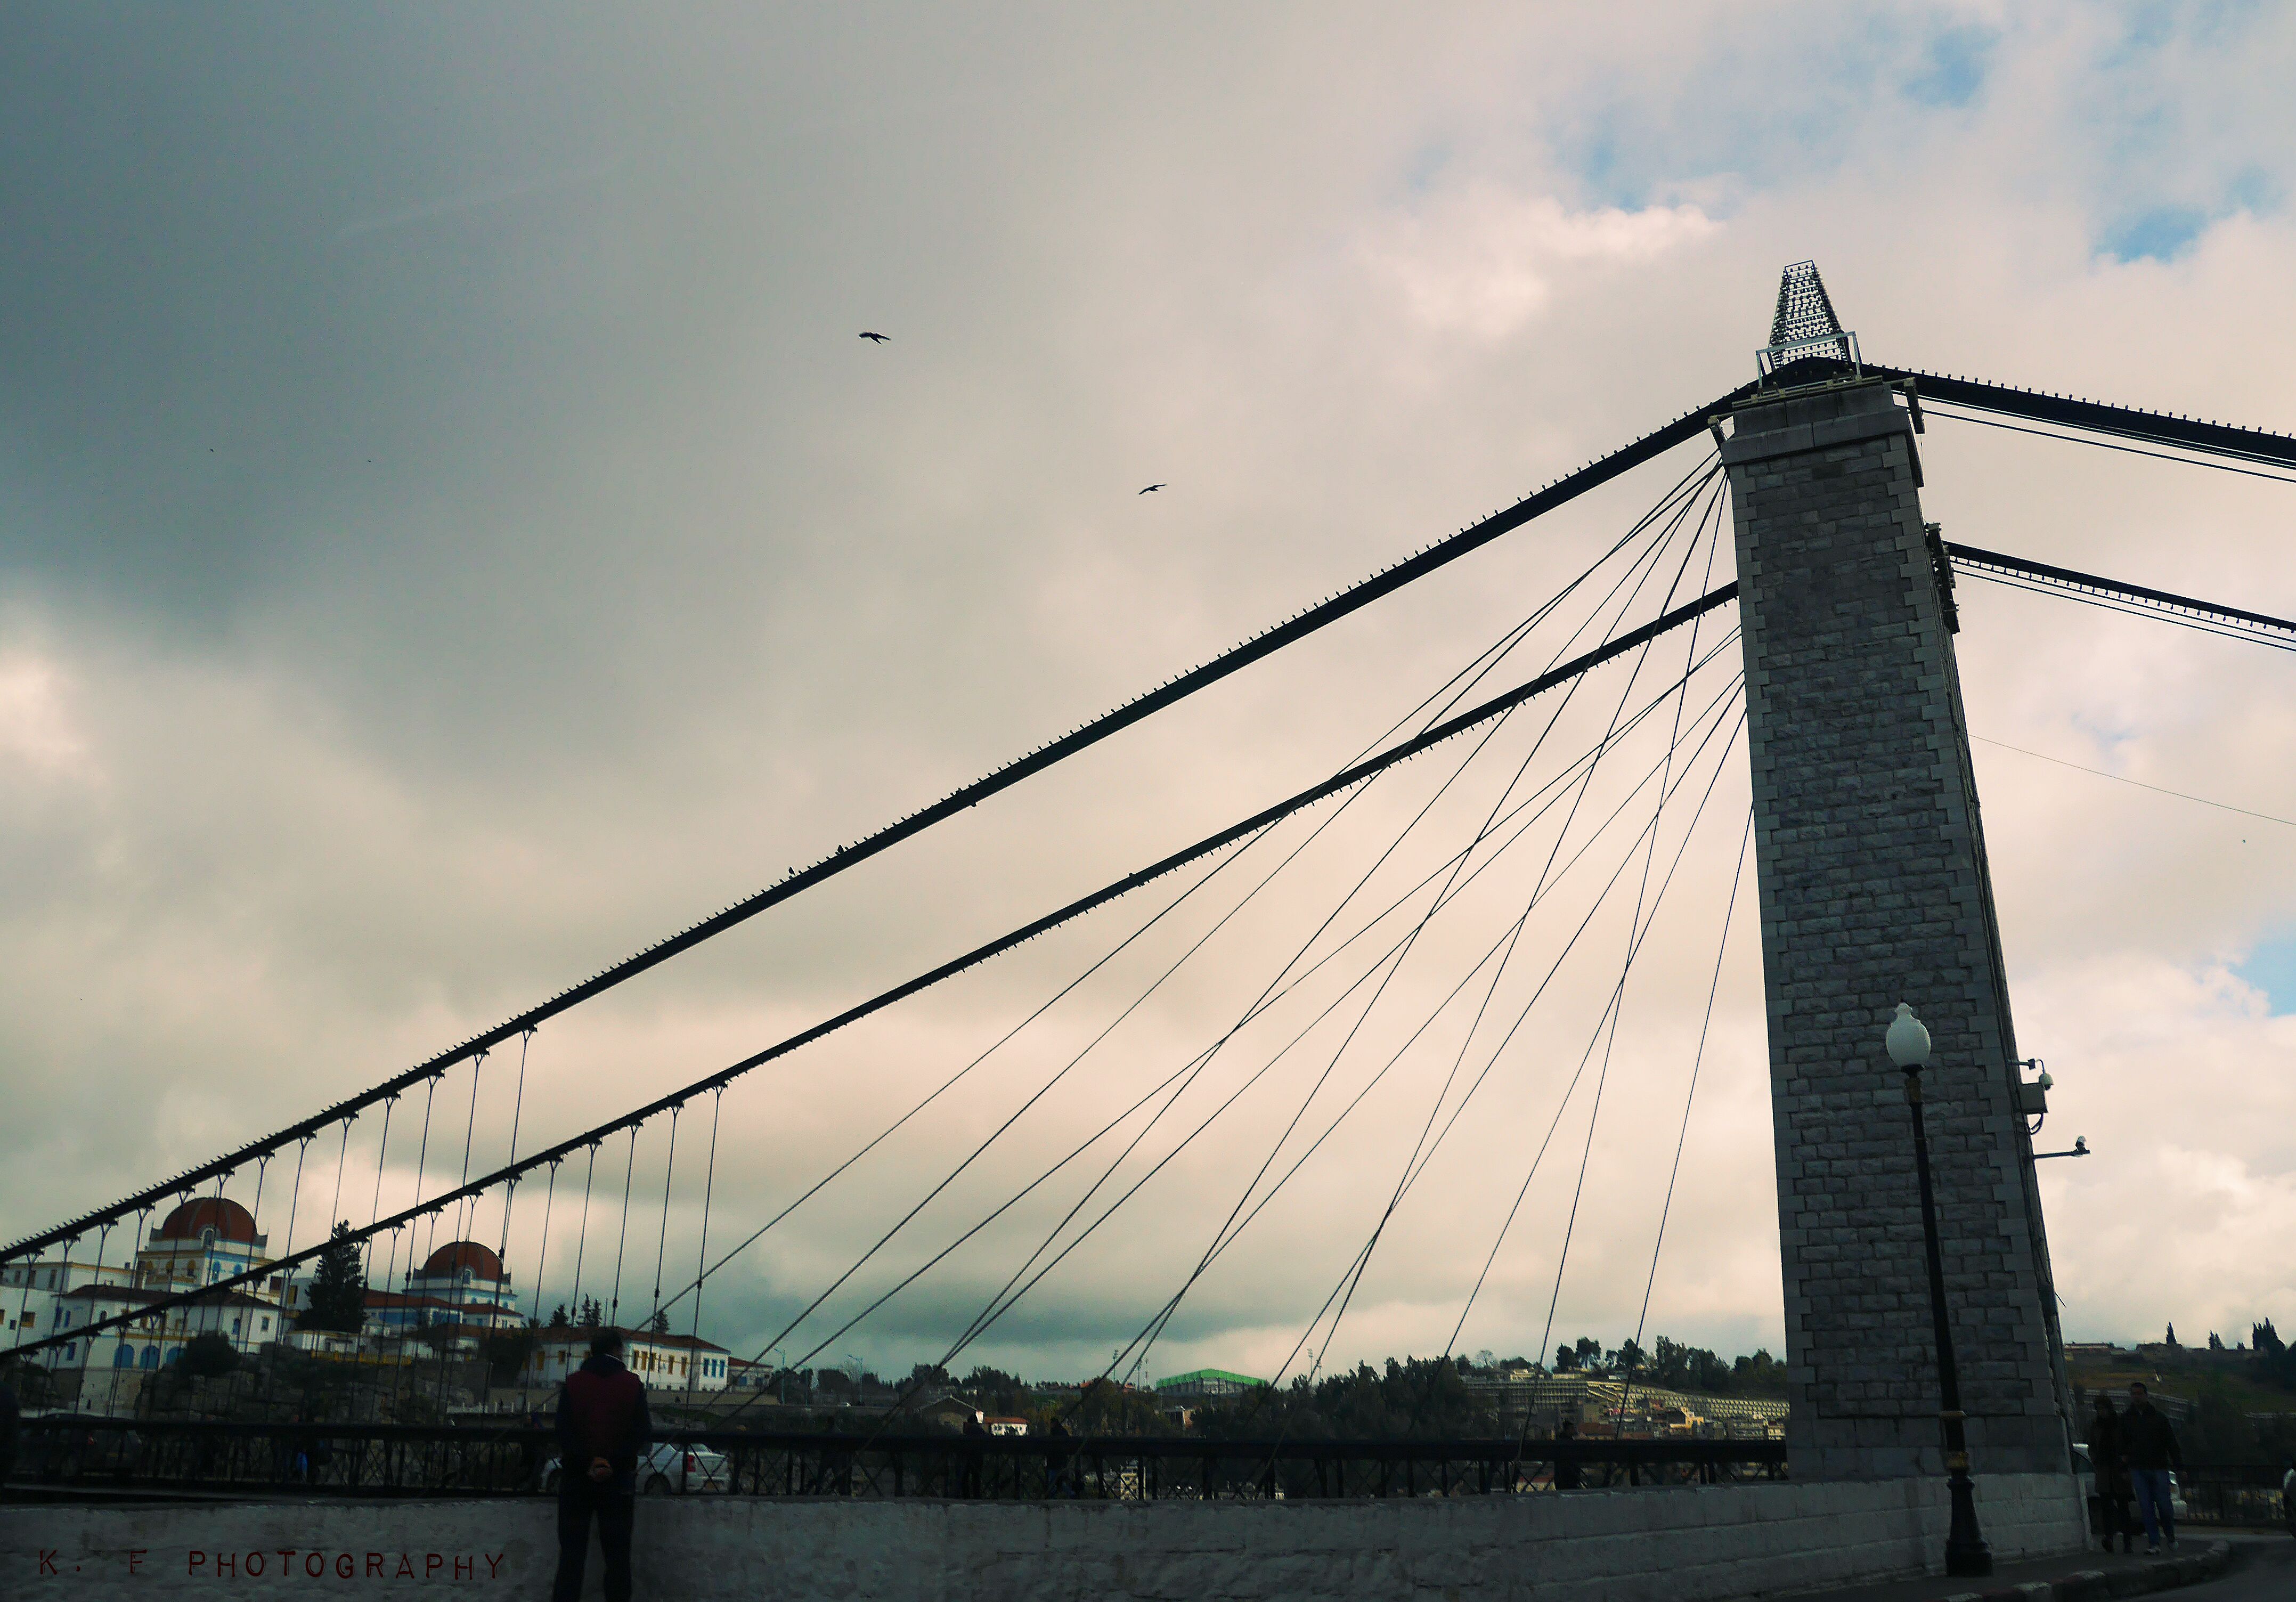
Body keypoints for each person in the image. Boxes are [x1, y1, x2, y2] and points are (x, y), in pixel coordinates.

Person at [552, 1328, 650, 1602]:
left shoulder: (573, 1383)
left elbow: (563, 1431)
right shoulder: (632, 1384)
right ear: (618, 1351)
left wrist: (589, 1461)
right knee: (618, 1558)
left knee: (571, 1557)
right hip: (618, 1481)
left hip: (576, 1479)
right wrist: (612, 1462)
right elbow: (641, 1431)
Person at [2122, 1382, 2181, 1555]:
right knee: (2146, 1507)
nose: (2137, 1397)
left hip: (2158, 1467)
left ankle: (2170, 1536)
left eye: (2139, 1394)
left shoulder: (2159, 1418)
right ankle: (2154, 1543)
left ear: (2146, 1395)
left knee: (2164, 1506)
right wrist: (2124, 1467)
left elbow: (2171, 1443)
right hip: (2139, 1468)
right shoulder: (2127, 1419)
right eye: (2134, 1394)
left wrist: (2179, 1466)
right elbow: (2122, 1444)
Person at [2088, 1392, 2133, 1554]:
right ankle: (2109, 1538)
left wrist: (2125, 1460)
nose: (2102, 1412)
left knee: (2123, 1507)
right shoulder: (2096, 1426)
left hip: (2119, 1470)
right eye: (2099, 1409)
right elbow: (2092, 1446)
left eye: (2104, 1409)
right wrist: (2096, 1460)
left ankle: (2127, 1542)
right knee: (2106, 1508)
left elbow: (2128, 1443)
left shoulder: (2119, 1424)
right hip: (2104, 1470)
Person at [1553, 1419, 1583, 1491]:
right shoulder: (1569, 1443)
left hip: (1563, 1477)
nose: (1574, 1430)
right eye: (1572, 1428)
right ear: (1567, 1430)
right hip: (1569, 1476)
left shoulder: (1561, 1441)